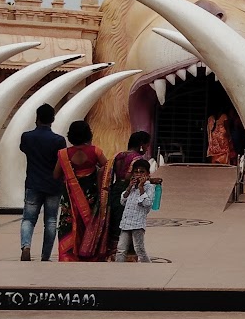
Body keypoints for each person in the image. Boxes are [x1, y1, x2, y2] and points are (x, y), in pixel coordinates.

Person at [18, 103, 68, 262]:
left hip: (33, 183)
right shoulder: (59, 140)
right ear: (53, 119)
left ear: (37, 118)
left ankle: (26, 246)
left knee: (28, 219)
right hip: (53, 185)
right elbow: (61, 161)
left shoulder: (27, 137)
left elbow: (23, 149)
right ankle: (45, 256)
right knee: (51, 220)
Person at [55, 119, 110, 262]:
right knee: (91, 222)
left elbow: (55, 175)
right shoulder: (95, 151)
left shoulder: (63, 154)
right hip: (91, 197)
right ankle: (90, 253)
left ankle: (69, 256)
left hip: (70, 198)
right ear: (88, 134)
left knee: (69, 223)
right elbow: (108, 168)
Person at [108, 130, 152, 256]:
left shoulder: (119, 155)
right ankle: (129, 252)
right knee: (130, 221)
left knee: (115, 220)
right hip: (129, 190)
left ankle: (113, 251)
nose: (147, 148)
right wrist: (149, 179)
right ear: (142, 145)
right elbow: (129, 176)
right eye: (147, 145)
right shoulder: (137, 159)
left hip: (116, 189)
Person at [114, 158, 163, 263]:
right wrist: (129, 187)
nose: (138, 174)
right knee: (121, 249)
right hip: (126, 223)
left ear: (147, 174)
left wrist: (141, 187)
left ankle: (147, 267)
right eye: (136, 172)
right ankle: (117, 269)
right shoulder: (131, 186)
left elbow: (146, 203)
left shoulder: (149, 187)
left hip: (138, 224)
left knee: (139, 249)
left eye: (142, 172)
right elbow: (123, 201)